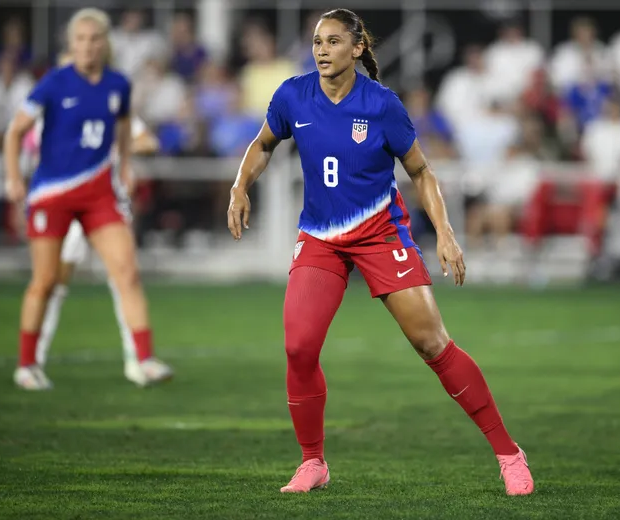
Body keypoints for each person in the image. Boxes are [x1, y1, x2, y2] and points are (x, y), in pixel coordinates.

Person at [227, 8, 534, 495]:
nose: (322, 50)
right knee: (298, 348)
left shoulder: (381, 104)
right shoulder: (292, 95)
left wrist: (446, 232)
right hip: (321, 238)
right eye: (316, 42)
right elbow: (263, 144)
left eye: (332, 42)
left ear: (356, 48)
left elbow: (421, 171)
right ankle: (313, 463)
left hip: (380, 235)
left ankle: (508, 453)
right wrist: (240, 185)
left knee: (433, 344)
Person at [3, 8, 172, 390]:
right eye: (79, 39)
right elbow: (15, 132)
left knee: (127, 272)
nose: (87, 46)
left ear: (104, 42)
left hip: (99, 197)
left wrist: (125, 166)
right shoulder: (53, 83)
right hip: (53, 195)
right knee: (45, 281)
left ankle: (143, 360)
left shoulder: (118, 85)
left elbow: (126, 127)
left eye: (94, 38)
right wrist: (14, 178)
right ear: (70, 43)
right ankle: (27, 364)